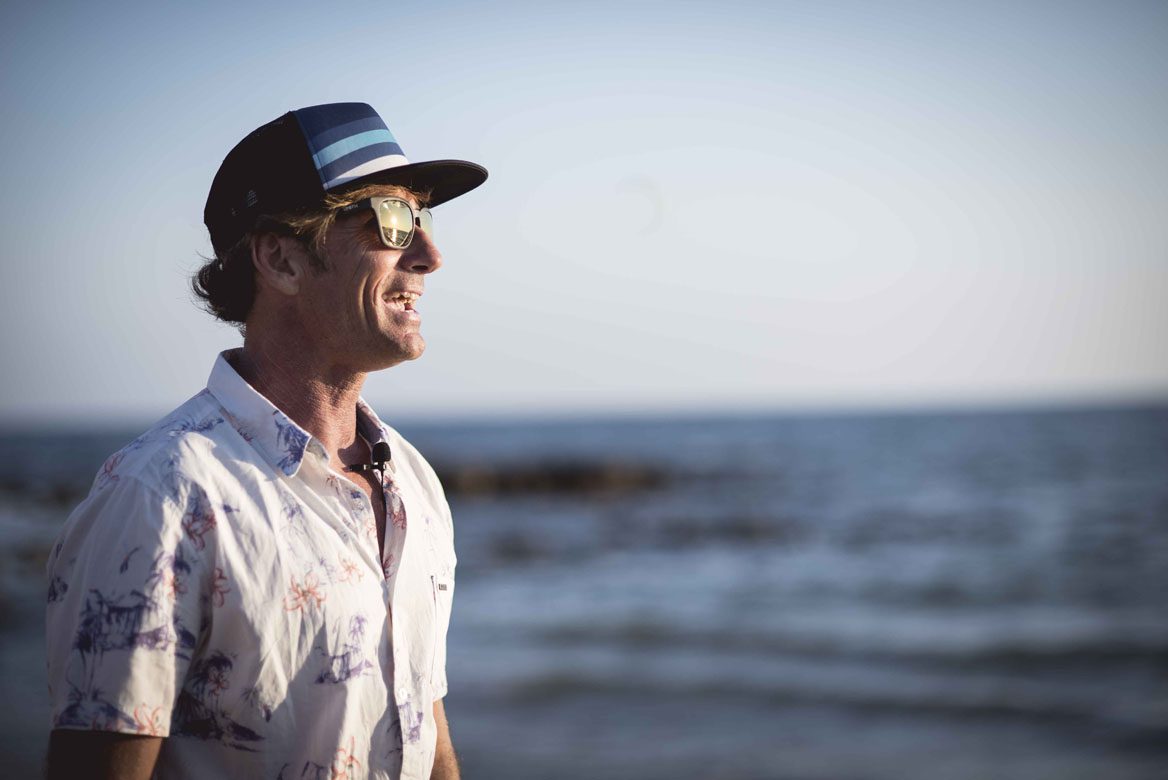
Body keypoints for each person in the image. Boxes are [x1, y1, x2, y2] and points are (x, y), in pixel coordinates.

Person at [44, 102, 486, 780]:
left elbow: (426, 732)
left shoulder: (412, 481)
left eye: (423, 218)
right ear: (281, 259)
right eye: (394, 220)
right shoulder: (160, 497)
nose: (430, 255)